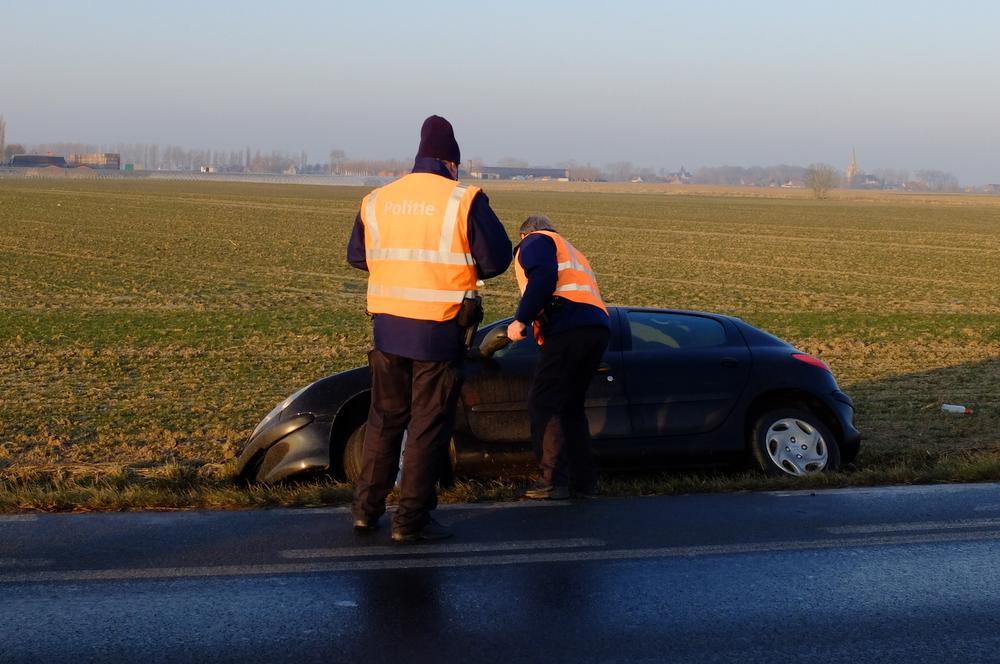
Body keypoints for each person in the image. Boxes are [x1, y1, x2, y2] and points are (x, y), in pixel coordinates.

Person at [348, 115, 512, 542]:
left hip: (386, 331)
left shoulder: (377, 199)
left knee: (384, 420)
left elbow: (357, 256)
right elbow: (495, 260)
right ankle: (411, 520)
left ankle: (365, 511)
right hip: (437, 332)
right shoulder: (463, 199)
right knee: (426, 426)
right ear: (451, 163)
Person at [507, 215, 610, 500]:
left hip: (567, 326)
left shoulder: (536, 241)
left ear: (524, 233)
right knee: (570, 407)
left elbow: (542, 277)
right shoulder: (571, 249)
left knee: (543, 401)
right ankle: (583, 482)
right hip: (597, 328)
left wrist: (521, 320)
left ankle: (551, 479)